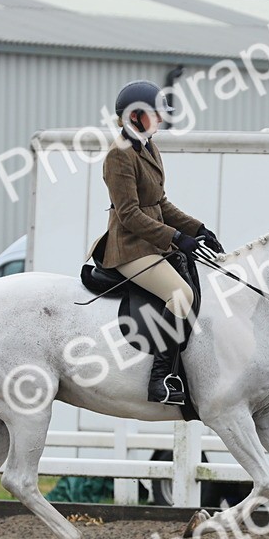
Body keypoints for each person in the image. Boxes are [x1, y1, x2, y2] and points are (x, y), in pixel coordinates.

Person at [91, 79, 224, 405]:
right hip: (129, 247)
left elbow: (160, 204)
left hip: (152, 243)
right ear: (134, 116)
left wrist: (198, 228)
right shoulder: (118, 156)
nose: (161, 120)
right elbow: (130, 215)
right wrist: (177, 237)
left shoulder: (148, 146)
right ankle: (161, 378)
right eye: (155, 114)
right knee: (180, 295)